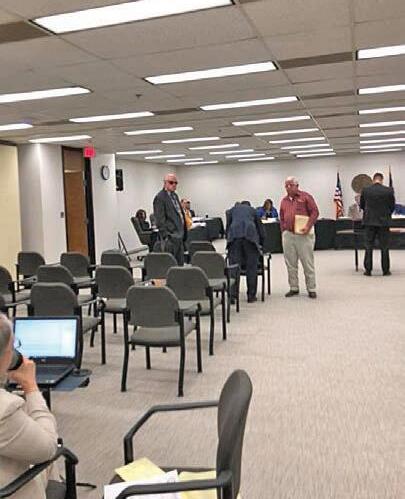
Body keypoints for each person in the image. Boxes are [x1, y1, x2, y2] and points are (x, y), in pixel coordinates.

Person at [0, 313, 60, 499]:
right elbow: (49, 447)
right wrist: (30, 386)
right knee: (52, 450)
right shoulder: (5, 410)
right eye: (13, 347)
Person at [280, 176, 319, 299]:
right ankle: (294, 287)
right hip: (288, 234)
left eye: (290, 185)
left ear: (297, 186)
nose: (288, 187)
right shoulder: (284, 201)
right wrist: (283, 229)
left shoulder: (306, 197)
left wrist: (308, 226)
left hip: (303, 234)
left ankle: (311, 288)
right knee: (290, 263)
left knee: (307, 262)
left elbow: (315, 212)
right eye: (286, 185)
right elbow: (282, 216)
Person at [226, 200, 264, 303]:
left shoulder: (231, 210)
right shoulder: (253, 210)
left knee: (234, 267)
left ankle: (232, 296)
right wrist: (261, 245)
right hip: (250, 237)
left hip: (234, 237)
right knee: (251, 267)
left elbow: (228, 228)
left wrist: (229, 242)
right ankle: (251, 296)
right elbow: (260, 229)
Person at [360, 172, 395, 276]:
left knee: (368, 246)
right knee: (384, 247)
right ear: (382, 180)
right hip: (384, 222)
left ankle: (368, 270)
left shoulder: (365, 190)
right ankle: (385, 270)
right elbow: (392, 206)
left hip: (369, 222)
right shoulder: (389, 190)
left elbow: (362, 205)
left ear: (373, 179)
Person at [153, 173, 187, 265]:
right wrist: (167, 236)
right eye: (171, 182)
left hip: (179, 236)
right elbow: (159, 220)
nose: (174, 185)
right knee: (171, 264)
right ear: (165, 183)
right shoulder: (160, 198)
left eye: (176, 183)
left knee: (180, 264)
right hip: (170, 237)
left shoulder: (175, 196)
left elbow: (179, 214)